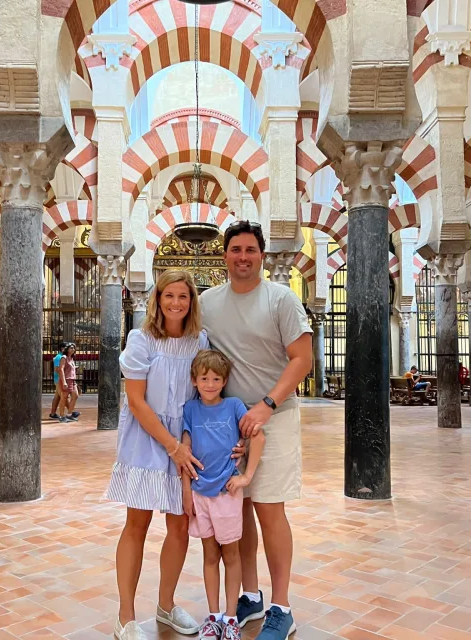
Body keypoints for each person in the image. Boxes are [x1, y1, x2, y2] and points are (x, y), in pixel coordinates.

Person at [104, 270, 245, 640]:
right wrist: (172, 446)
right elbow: (136, 401)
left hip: (186, 444)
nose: (176, 303)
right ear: (158, 298)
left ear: (191, 301)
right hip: (148, 440)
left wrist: (227, 438)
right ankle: (126, 617)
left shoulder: (200, 341)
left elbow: (208, 395)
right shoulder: (141, 340)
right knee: (137, 523)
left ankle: (165, 607)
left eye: (183, 296)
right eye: (169, 295)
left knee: (180, 524)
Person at [200, 220, 313, 640]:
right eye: (235, 250)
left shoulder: (281, 299)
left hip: (274, 417)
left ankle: (282, 606)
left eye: (250, 250)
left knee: (269, 508)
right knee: (238, 509)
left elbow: (302, 359)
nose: (243, 257)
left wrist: (267, 405)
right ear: (225, 256)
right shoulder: (209, 302)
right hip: (230, 423)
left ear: (261, 256)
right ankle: (250, 596)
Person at [182, 350, 265, 640]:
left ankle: (231, 617)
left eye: (216, 378)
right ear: (194, 380)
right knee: (209, 555)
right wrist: (186, 493)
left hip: (227, 493)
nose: (210, 383)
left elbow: (257, 435)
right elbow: (186, 449)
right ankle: (213, 616)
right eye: (204, 378)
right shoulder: (190, 410)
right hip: (199, 494)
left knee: (231, 554)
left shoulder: (234, 406)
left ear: (224, 380)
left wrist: (246, 477)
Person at [57, 343, 80, 423]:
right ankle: (62, 415)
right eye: (71, 348)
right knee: (64, 398)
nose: (73, 349)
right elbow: (61, 370)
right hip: (66, 380)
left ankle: (69, 414)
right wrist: (64, 382)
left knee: (75, 395)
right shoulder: (64, 358)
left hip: (72, 380)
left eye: (74, 348)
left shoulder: (71, 358)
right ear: (67, 349)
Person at [49, 342, 68, 420]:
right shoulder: (59, 357)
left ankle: (53, 413)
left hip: (59, 379)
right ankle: (71, 412)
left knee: (57, 397)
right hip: (59, 380)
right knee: (64, 396)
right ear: (62, 348)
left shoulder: (63, 356)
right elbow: (57, 369)